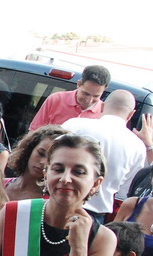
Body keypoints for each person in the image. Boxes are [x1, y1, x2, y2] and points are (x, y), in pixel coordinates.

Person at [63, 89, 148, 221]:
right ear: (131, 114)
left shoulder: (74, 124)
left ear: (102, 106)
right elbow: (124, 192)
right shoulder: (137, 146)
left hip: (57, 202)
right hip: (94, 216)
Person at [28, 64, 111, 130]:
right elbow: (34, 132)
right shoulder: (56, 100)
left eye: (96, 96)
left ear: (105, 89)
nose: (89, 100)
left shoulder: (104, 113)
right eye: (86, 94)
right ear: (79, 84)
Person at [3, 125, 66, 201]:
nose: (43, 162)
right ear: (30, 149)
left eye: (51, 160)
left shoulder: (51, 203)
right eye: (41, 153)